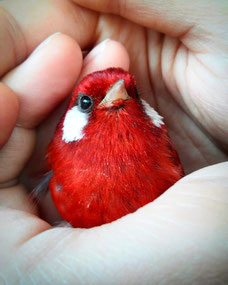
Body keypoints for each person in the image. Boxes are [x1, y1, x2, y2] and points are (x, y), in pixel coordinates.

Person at [0, 0, 227, 283]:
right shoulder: (58, 156)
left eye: (131, 93)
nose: (119, 95)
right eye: (86, 102)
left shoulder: (160, 148)